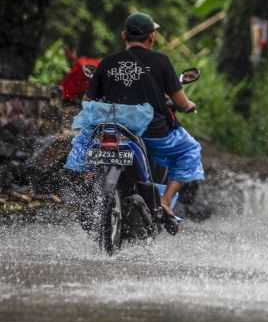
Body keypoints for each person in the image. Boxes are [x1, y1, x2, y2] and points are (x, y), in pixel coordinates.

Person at [67, 12, 204, 223]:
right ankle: (165, 202)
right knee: (190, 150)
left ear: (124, 36)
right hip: (152, 132)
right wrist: (189, 106)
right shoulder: (161, 61)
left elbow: (88, 100)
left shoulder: (107, 62)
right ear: (152, 37)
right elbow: (181, 102)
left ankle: (86, 192)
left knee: (82, 148)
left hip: (110, 128)